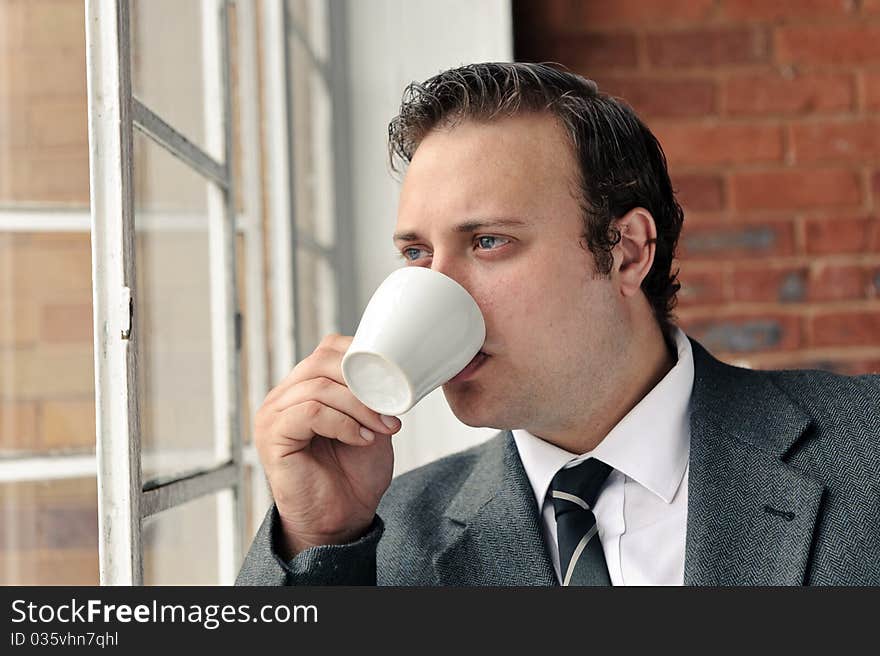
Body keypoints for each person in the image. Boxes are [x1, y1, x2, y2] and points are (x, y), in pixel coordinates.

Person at [236, 62, 880, 586]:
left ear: (625, 251)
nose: (434, 286)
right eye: (415, 253)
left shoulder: (864, 450)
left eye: (488, 241)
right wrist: (320, 544)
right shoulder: (383, 540)